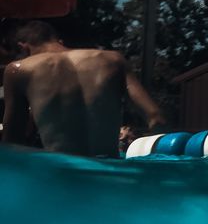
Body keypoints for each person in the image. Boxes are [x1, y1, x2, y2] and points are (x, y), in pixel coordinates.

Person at [1, 20, 164, 157]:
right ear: (59, 41)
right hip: (110, 170)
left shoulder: (19, 69)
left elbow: (12, 142)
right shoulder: (113, 60)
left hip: (64, 174)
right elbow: (155, 117)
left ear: (23, 48)